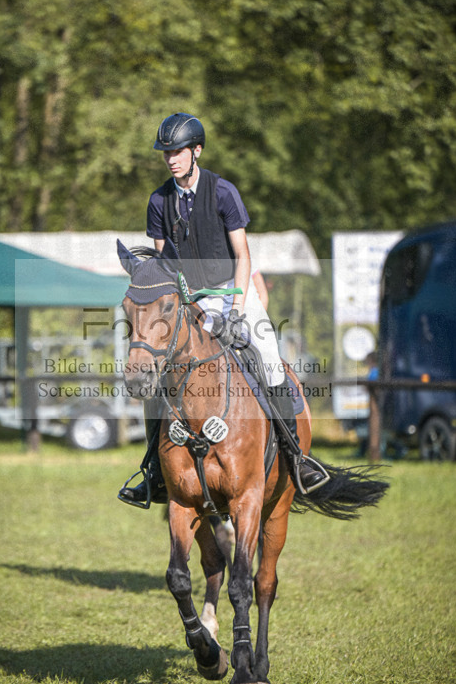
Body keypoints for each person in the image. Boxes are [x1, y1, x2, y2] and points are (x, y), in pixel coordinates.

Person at [118, 112, 327, 507]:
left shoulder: (223, 192)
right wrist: (181, 306)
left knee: (267, 359)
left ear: (196, 151)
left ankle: (297, 457)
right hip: (190, 301)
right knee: (161, 373)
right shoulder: (159, 200)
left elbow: (242, 255)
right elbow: (165, 266)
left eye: (178, 151)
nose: (171, 159)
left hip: (235, 292)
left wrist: (233, 309)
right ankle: (152, 473)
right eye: (166, 152)